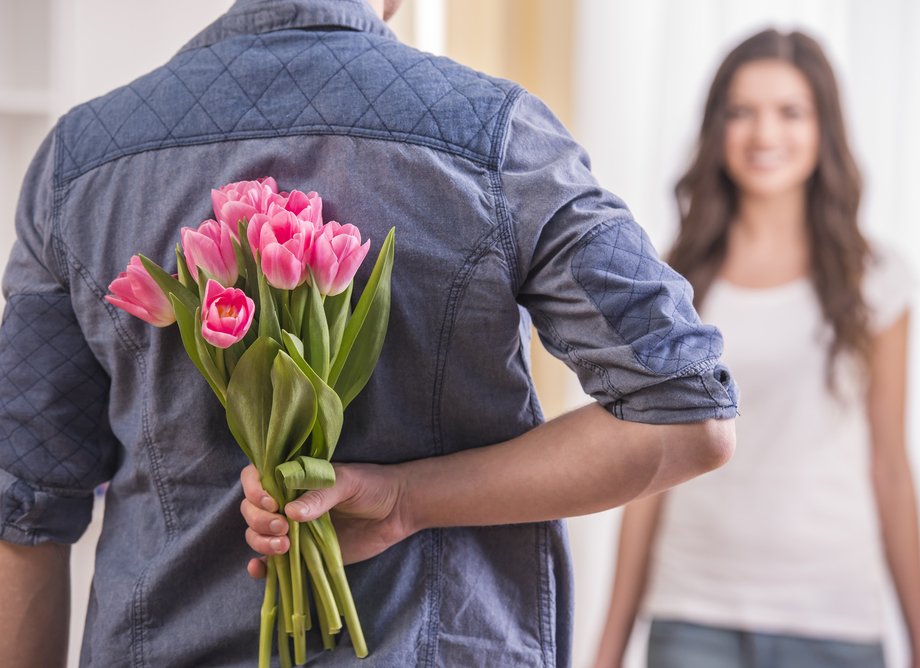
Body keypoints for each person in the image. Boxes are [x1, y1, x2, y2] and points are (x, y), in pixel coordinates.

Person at [0, 1, 739, 666]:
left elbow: (24, 509)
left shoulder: (78, 164)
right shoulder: (497, 137)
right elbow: (688, 417)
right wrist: (407, 499)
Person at [592, 28, 920, 668]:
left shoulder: (878, 278)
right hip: (693, 612)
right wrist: (608, 646)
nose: (764, 134)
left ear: (824, 128)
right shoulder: (673, 281)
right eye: (741, 112)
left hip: (833, 618)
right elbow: (649, 473)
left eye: (790, 112)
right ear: (716, 127)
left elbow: (890, 465)